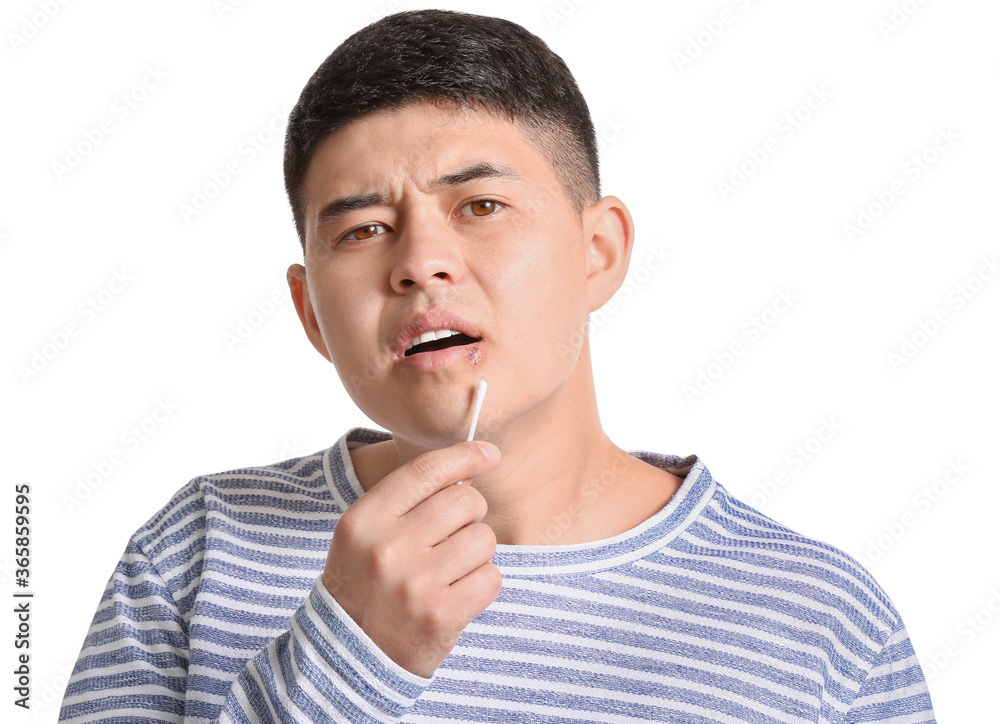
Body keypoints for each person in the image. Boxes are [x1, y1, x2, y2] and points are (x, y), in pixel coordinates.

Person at [59, 9, 936, 723]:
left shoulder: (819, 619)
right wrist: (345, 662)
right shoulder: (198, 550)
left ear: (598, 252)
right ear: (310, 314)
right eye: (363, 230)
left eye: (480, 205)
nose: (420, 263)